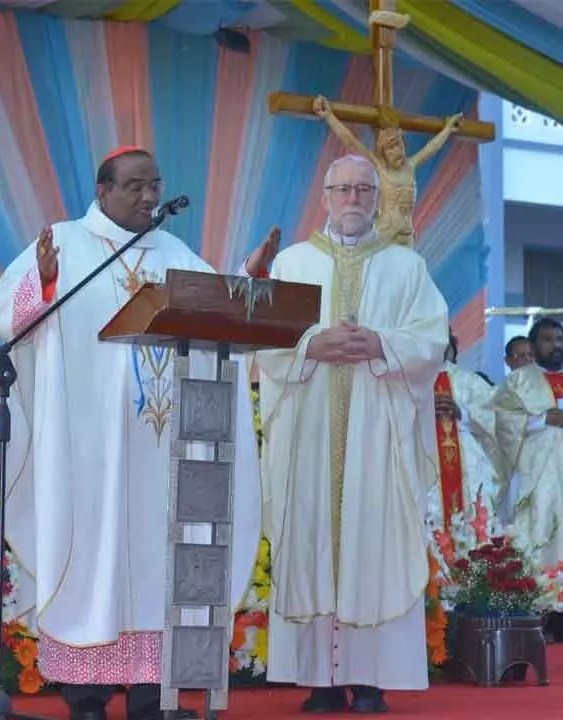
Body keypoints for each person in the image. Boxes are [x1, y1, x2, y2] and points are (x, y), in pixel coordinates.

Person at [0, 147, 264, 720]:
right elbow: (4, 315)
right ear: (103, 190)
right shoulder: (65, 242)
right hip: (91, 442)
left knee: (159, 559)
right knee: (93, 554)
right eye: (134, 185)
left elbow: (221, 310)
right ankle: (86, 697)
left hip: (163, 447)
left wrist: (247, 284)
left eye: (154, 184)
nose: (148, 196)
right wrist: (41, 278)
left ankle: (150, 696)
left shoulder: (175, 251)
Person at [257, 154, 448, 713]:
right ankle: (319, 680)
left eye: (364, 190)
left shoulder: (405, 267)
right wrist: (308, 345)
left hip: (377, 432)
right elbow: (264, 336)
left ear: (377, 199)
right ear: (324, 197)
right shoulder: (292, 263)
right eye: (342, 189)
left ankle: (370, 681)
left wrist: (383, 345)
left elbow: (430, 338)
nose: (353, 199)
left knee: (374, 538)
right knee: (312, 537)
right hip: (310, 429)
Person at [312, 96, 461, 246]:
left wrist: (447, 130)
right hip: (384, 234)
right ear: (383, 151)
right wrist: (329, 116)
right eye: (391, 147)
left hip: (406, 233)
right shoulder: (378, 167)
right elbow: (350, 141)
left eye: (400, 145)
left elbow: (431, 148)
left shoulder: (410, 166)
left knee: (408, 267)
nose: (398, 151)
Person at [491, 317, 563, 567]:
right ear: (533, 345)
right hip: (536, 468)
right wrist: (544, 419)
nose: (555, 345)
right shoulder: (518, 380)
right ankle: (542, 586)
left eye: (559, 339)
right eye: (547, 340)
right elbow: (501, 421)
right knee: (540, 517)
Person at [431, 334, 501, 534]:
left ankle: (473, 564)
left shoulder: (469, 380)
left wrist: (463, 413)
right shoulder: (406, 380)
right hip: (424, 461)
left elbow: (497, 420)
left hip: (467, 463)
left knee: (472, 521)